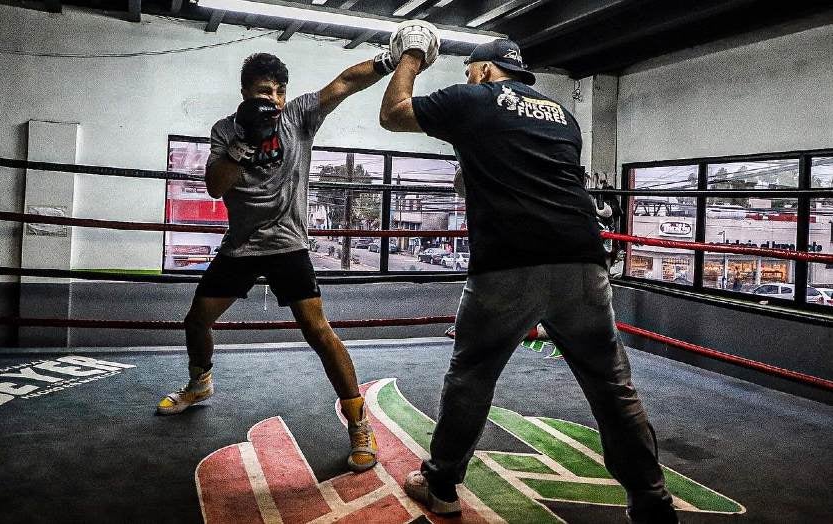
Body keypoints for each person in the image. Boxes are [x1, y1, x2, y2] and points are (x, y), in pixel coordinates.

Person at [379, 31, 678, 523]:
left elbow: (394, 114)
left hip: (508, 264)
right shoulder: (564, 117)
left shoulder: (472, 97)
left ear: (482, 70)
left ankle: (441, 485)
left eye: (469, 71)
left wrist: (410, 55)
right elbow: (528, 172)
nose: (467, 78)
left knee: (472, 376)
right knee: (611, 385)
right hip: (581, 261)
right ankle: (652, 503)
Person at [157, 49, 402, 473]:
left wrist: (390, 59)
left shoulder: (297, 117)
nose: (272, 98)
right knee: (196, 320)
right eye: (262, 91)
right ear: (245, 93)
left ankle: (359, 423)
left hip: (288, 244)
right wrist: (242, 143)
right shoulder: (225, 130)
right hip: (241, 246)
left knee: (318, 330)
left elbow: (344, 82)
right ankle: (200, 384)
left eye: (277, 90)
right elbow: (216, 187)